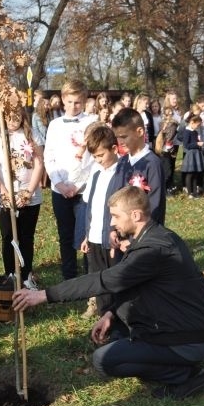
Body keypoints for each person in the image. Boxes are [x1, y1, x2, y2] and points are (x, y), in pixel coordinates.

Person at [12, 186, 204, 400]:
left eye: (116, 216)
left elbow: (105, 280)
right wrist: (111, 314)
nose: (112, 222)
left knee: (105, 360)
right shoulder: (156, 236)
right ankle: (172, 359)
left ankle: (185, 375)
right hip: (187, 325)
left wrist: (44, 295)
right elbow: (132, 283)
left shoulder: (152, 250)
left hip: (189, 338)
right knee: (117, 340)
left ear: (135, 215)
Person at [43, 79, 96, 280]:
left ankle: (89, 278)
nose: (74, 106)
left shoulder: (91, 122)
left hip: (84, 189)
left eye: (78, 102)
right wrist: (59, 183)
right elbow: (50, 156)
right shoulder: (55, 125)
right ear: (63, 100)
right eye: (70, 101)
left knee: (87, 235)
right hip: (60, 189)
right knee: (65, 235)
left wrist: (78, 185)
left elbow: (94, 158)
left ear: (84, 102)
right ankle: (69, 277)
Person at [0, 107, 44, 289]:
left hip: (28, 196)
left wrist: (28, 193)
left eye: (17, 114)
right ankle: (10, 274)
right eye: (9, 115)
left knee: (26, 237)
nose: (13, 119)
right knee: (9, 237)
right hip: (5, 197)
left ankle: (26, 276)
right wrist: (4, 192)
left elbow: (39, 164)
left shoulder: (32, 134)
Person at [80, 124, 122, 317]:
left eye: (101, 156)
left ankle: (116, 313)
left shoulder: (122, 173)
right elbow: (90, 207)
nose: (98, 160)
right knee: (96, 275)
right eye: (94, 156)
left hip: (113, 238)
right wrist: (87, 235)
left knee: (114, 277)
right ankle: (100, 309)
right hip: (95, 236)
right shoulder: (96, 173)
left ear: (114, 149)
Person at [111, 108, 166, 224]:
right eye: (117, 137)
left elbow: (155, 205)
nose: (119, 142)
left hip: (142, 235)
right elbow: (115, 198)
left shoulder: (152, 164)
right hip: (121, 232)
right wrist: (113, 229)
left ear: (140, 132)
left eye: (124, 136)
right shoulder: (122, 162)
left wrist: (142, 235)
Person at [180, 115, 204, 198]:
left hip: (196, 153)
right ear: (192, 122)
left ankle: (195, 192)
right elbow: (186, 145)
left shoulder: (195, 131)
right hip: (190, 154)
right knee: (190, 173)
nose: (198, 127)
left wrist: (199, 144)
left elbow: (195, 141)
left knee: (195, 173)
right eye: (197, 125)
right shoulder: (187, 131)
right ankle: (189, 193)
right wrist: (197, 144)